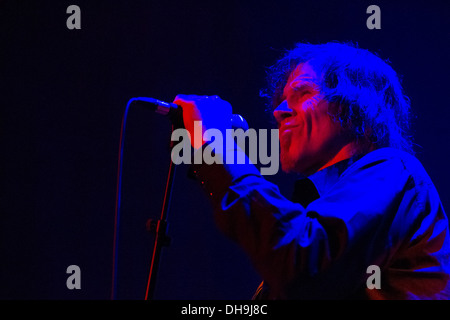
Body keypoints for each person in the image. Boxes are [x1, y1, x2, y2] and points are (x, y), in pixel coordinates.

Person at [173, 42, 450, 299]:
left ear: (358, 109)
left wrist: (216, 142)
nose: (279, 111)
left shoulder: (394, 172)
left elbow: (300, 263)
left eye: (303, 92)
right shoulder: (313, 209)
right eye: (281, 99)